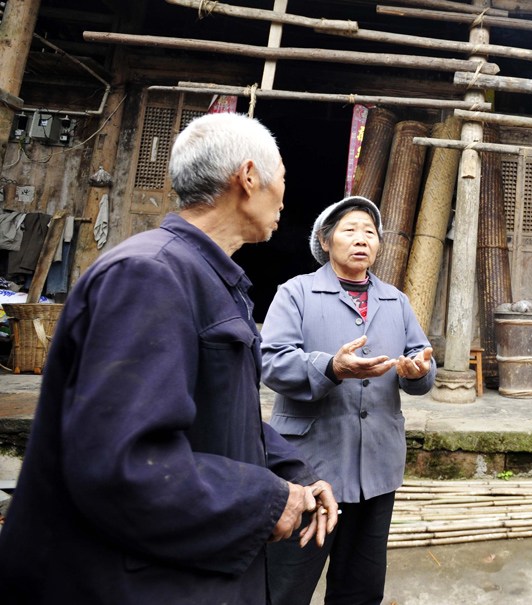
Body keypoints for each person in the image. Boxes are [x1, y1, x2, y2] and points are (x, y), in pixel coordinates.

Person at [0, 113, 339, 605]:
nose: (286, 196)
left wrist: (295, 474)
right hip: (134, 581)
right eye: (283, 178)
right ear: (248, 177)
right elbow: (125, 462)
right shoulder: (149, 275)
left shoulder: (208, 277)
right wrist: (266, 500)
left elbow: (220, 412)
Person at [261, 195, 436, 605]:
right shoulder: (296, 293)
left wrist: (419, 371)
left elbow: (422, 362)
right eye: (349, 230)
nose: (362, 239)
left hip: (376, 467)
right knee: (285, 585)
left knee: (360, 588)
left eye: (370, 232)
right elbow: (271, 362)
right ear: (325, 241)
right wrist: (332, 367)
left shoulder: (397, 300)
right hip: (309, 466)